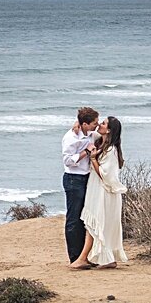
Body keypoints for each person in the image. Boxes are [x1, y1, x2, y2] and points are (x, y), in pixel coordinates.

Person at [73, 116, 128, 269]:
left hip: (104, 191)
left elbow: (106, 175)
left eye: (103, 123)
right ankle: (106, 259)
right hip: (95, 188)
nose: (99, 125)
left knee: (94, 223)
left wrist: (94, 160)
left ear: (109, 130)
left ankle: (83, 258)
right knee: (96, 223)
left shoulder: (111, 150)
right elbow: (86, 132)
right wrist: (77, 125)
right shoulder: (101, 141)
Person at [60, 106, 99, 262]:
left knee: (84, 218)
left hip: (86, 178)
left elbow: (103, 132)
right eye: (94, 123)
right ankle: (74, 258)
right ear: (85, 124)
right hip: (73, 179)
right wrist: (86, 152)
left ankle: (84, 257)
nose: (96, 125)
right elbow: (68, 161)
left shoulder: (89, 133)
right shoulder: (71, 138)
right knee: (74, 219)